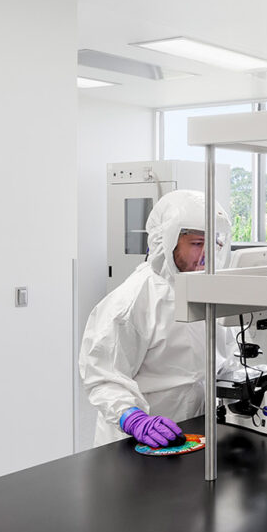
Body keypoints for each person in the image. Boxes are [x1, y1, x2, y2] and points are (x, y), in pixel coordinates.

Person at [80, 189, 234, 447]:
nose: (206, 254)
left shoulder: (207, 292)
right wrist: (134, 419)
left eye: (214, 243)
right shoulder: (132, 301)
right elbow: (102, 375)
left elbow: (225, 360)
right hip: (139, 442)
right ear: (168, 241)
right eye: (197, 244)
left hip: (195, 433)